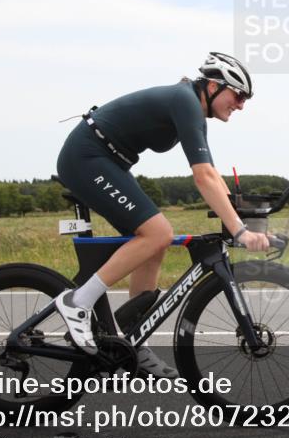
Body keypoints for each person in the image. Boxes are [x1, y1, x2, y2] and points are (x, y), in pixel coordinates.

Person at [53, 52, 270, 378]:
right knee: (159, 233)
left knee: (152, 245)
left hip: (106, 160)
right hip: (86, 157)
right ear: (213, 85)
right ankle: (77, 303)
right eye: (238, 95)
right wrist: (239, 230)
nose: (240, 105)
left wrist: (241, 212)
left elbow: (211, 172)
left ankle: (133, 344)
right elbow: (202, 178)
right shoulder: (185, 101)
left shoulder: (192, 107)